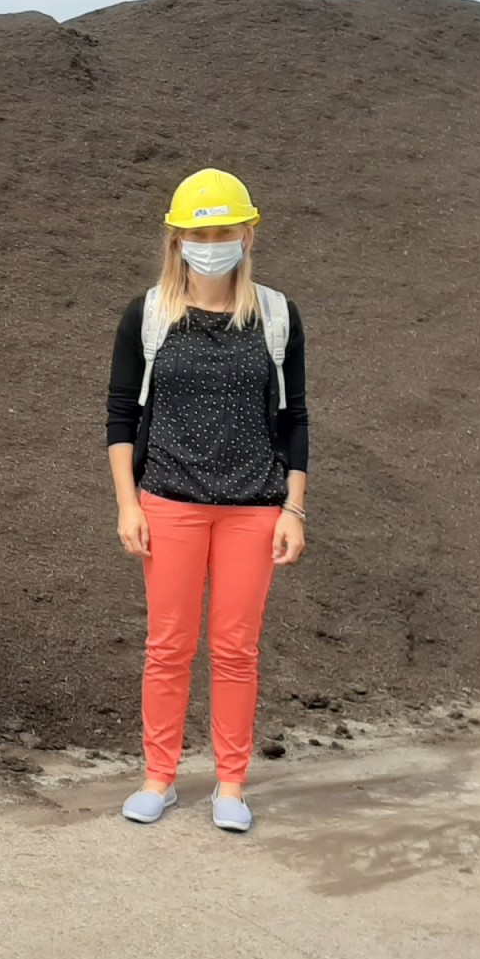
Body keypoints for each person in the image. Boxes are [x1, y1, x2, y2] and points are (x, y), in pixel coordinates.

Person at [105, 168, 308, 834]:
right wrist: (128, 505)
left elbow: (295, 417)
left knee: (235, 649)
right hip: (169, 501)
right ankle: (158, 778)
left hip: (254, 507)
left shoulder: (276, 315)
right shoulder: (150, 313)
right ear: (176, 237)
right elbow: (119, 417)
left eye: (223, 231)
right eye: (198, 232)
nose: (211, 243)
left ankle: (230, 783)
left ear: (248, 233)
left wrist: (294, 509)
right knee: (167, 647)